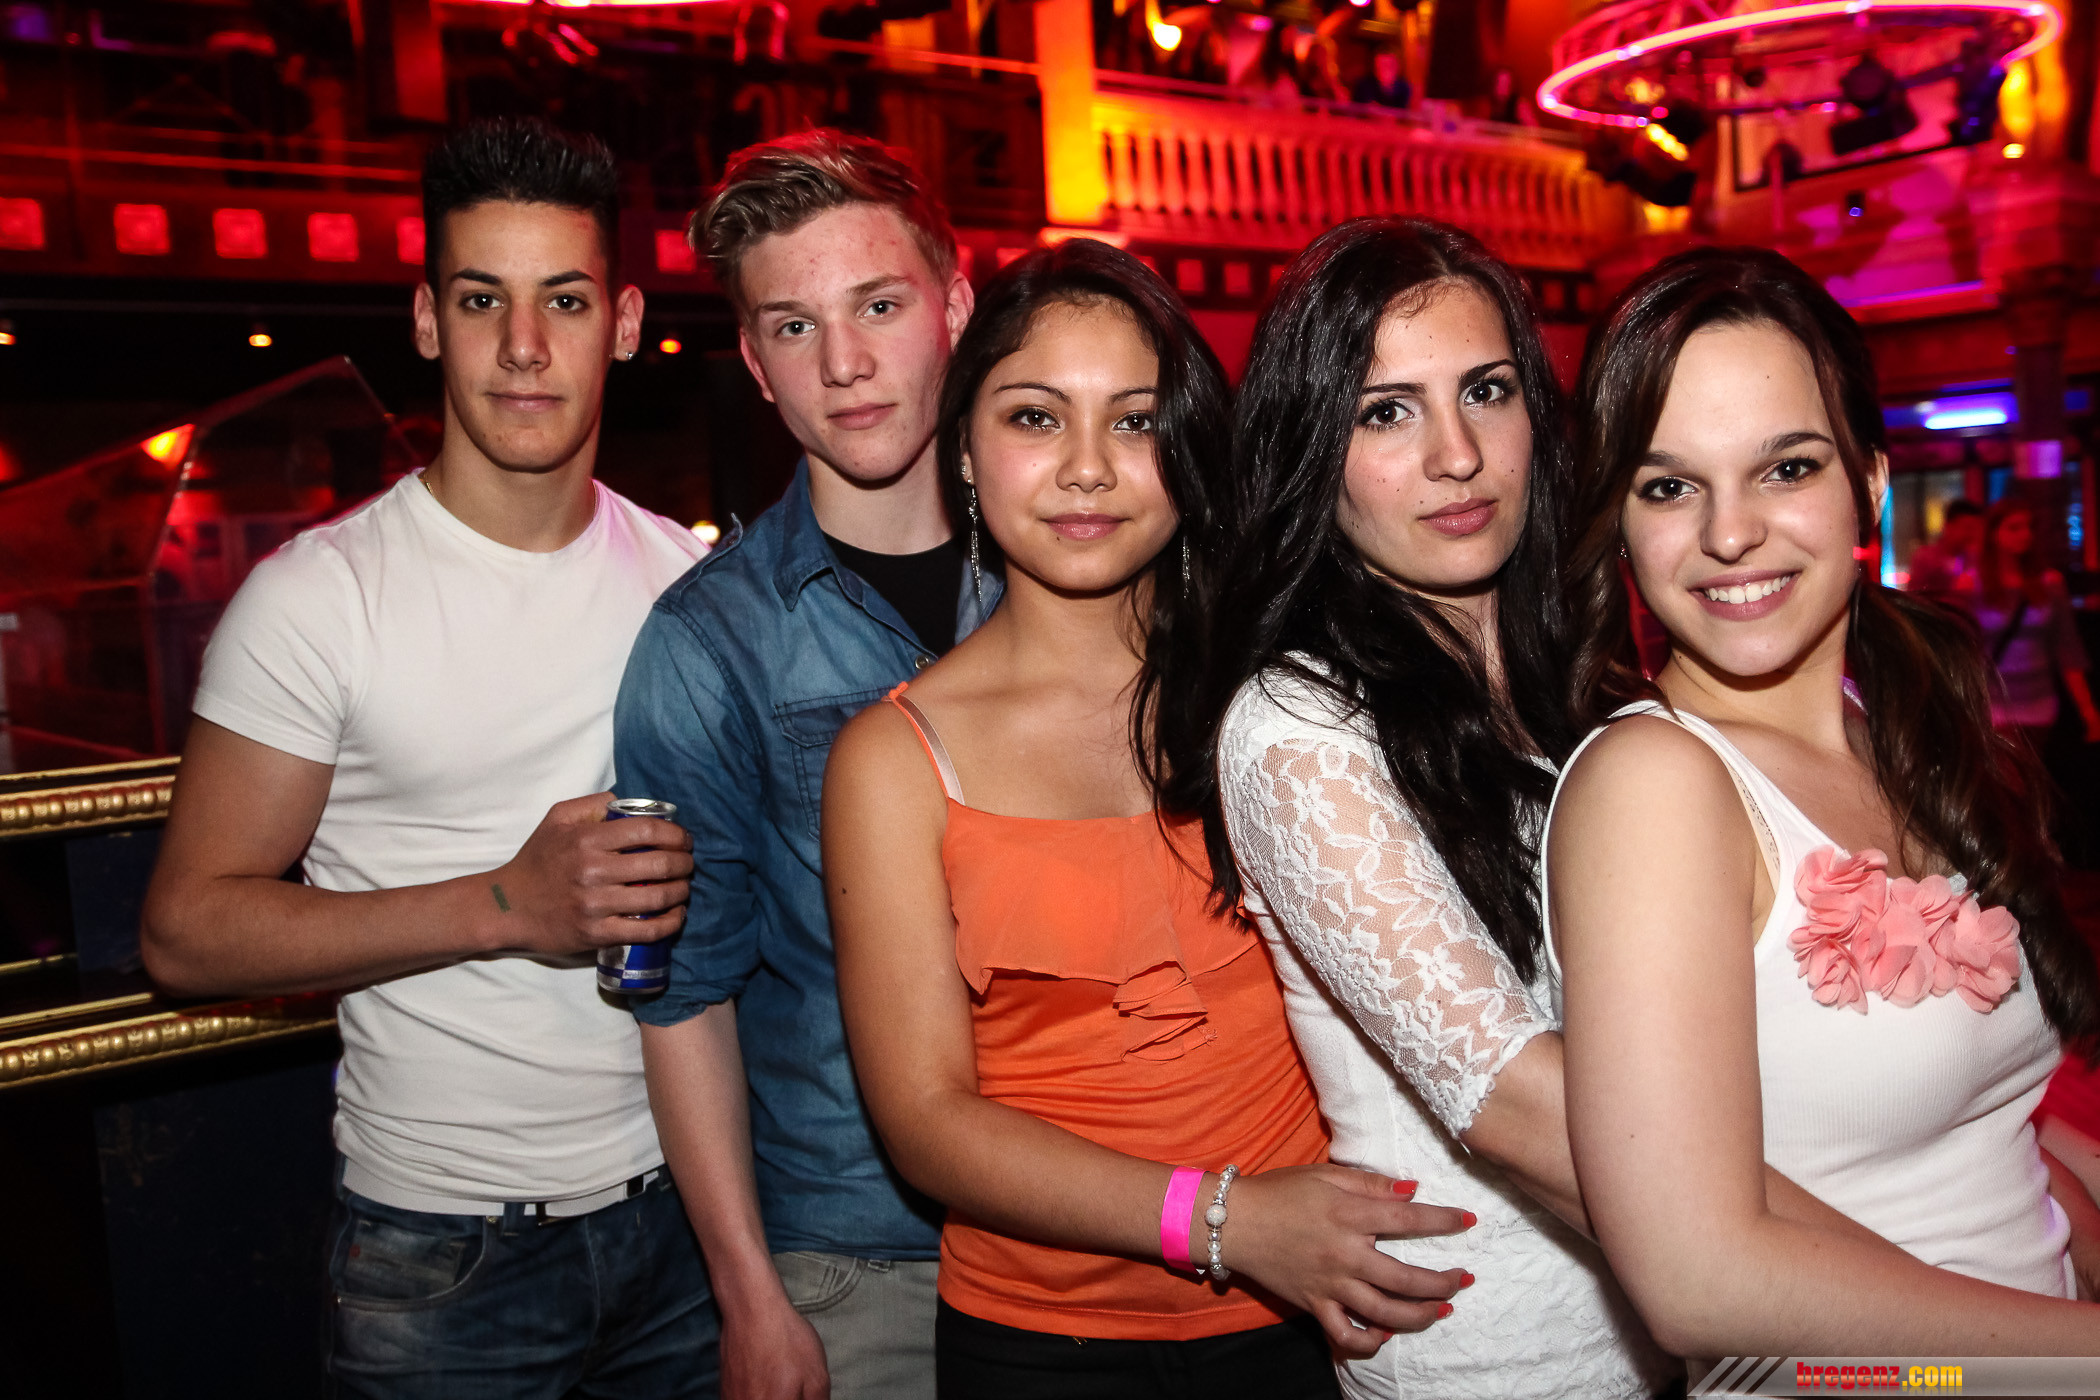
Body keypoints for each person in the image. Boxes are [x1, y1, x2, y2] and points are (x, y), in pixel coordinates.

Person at [1175, 216, 1877, 1398]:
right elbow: (1521, 1104)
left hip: (1711, 1335)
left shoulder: (1596, 683)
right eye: (1385, 412)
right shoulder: (1295, 726)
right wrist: (1916, 1274)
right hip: (1511, 1357)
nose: (1456, 453)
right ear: (1312, 450)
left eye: (1486, 391)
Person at [823, 238, 1473, 1397]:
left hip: (1317, 1316)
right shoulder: (894, 759)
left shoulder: (1279, 698)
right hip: (1043, 1344)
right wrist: (1229, 1219)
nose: (1086, 468)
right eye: (1035, 417)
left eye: (1133, 421)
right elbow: (924, 1118)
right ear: (963, 447)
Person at [139, 118, 717, 1397]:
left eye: (565, 299)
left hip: (689, 1219)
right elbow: (186, 931)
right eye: (481, 298)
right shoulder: (320, 598)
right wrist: (507, 903)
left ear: (624, 323)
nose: (524, 346)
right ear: (426, 320)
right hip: (444, 1253)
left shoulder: (687, 578)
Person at [1547, 245, 2100, 1361]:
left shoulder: (1900, 736)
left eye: (1786, 468)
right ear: (1620, 524)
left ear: (1870, 486)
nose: (1730, 532)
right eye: (1668, 486)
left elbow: (2006, 1148)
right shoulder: (1657, 783)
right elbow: (1698, 1278)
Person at [612, 129, 985, 1400]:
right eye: (793, 325)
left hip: (1107, 1216)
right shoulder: (710, 640)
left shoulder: (1074, 564)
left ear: (954, 306)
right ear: (757, 366)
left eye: (878, 305)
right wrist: (749, 1297)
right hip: (863, 1258)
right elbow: (682, 995)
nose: (844, 362)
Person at [1966, 497, 2100, 750]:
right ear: (1994, 534)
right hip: (1993, 706)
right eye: (2014, 528)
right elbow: (1962, 650)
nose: (2025, 535)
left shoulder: (2049, 583)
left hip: (2039, 704)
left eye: (2029, 527)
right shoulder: (1971, 585)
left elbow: (2068, 649)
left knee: (2030, 771)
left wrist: (2088, 711)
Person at [1905, 497, 1981, 601]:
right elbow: (1914, 597)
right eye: (1967, 528)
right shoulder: (1926, 557)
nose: (1971, 534)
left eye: (1975, 529)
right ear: (1948, 526)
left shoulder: (1972, 558)